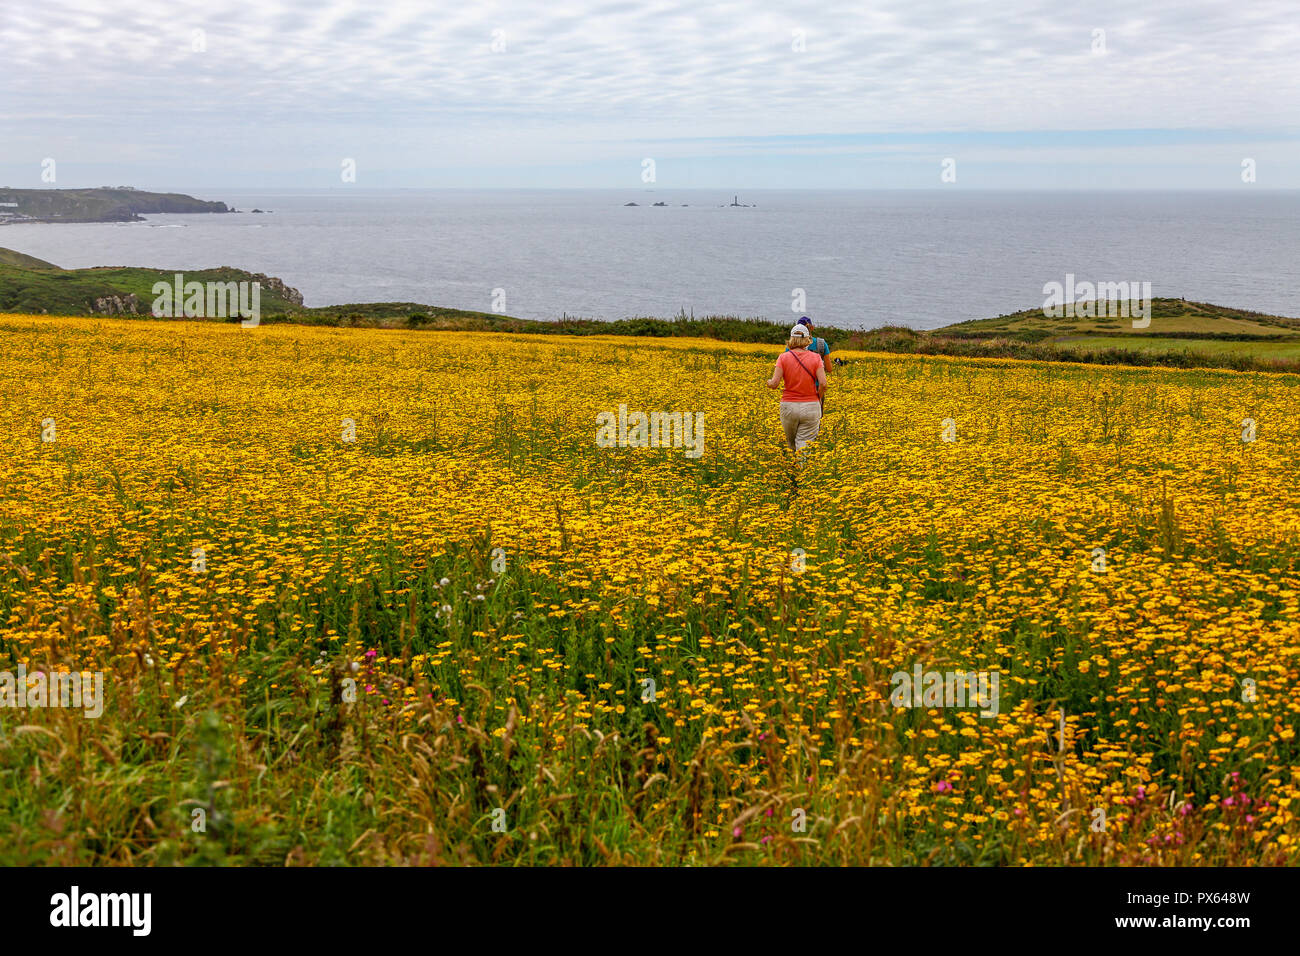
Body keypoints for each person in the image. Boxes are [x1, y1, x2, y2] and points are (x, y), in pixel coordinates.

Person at [767, 323, 826, 454]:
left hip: (789, 406)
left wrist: (768, 382)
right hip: (811, 405)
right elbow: (823, 383)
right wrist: (818, 397)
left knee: (791, 443)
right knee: (804, 443)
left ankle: (791, 470)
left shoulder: (783, 357)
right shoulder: (816, 358)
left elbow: (775, 383)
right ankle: (803, 471)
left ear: (791, 339)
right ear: (807, 340)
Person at [788, 316, 832, 410]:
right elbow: (829, 369)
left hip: (795, 390)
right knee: (814, 421)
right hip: (816, 390)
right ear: (812, 328)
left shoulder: (790, 347)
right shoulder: (821, 344)